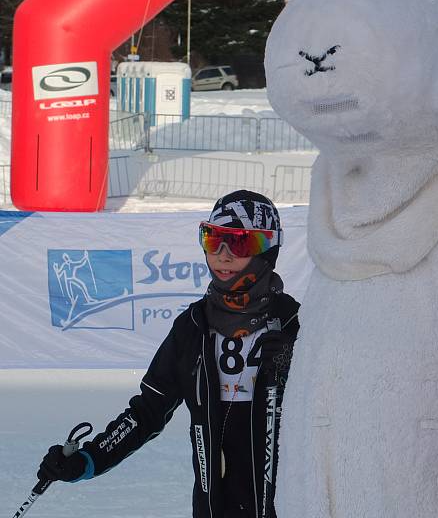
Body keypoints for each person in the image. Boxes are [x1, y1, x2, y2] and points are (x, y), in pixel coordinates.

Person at [37, 190, 300, 518]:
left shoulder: (296, 324)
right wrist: (88, 459)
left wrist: (296, 368)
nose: (222, 254)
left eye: (239, 243)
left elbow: (339, 413)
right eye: (212, 238)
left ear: (267, 250)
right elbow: (147, 412)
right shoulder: (193, 327)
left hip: (288, 505)